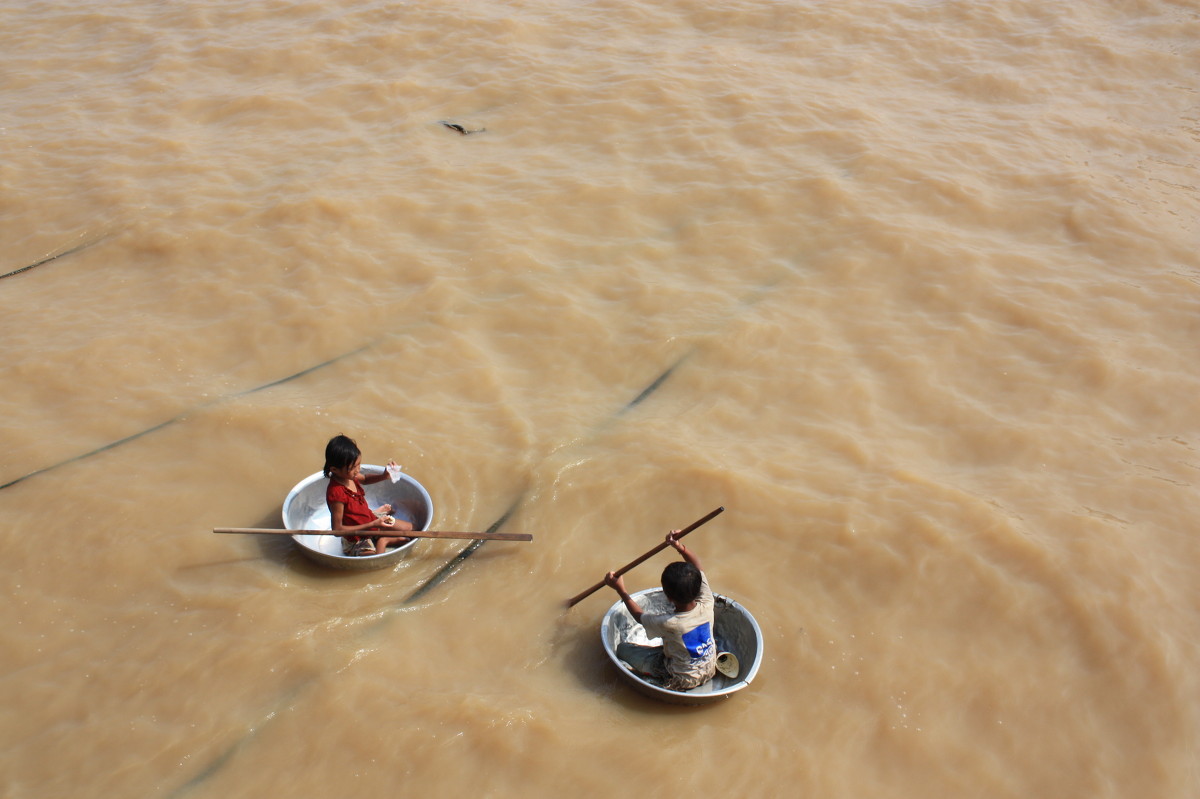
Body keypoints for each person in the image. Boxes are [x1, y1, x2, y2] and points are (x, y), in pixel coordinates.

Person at [603, 530, 717, 690]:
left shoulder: (669, 623)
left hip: (682, 679)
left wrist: (621, 590)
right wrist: (680, 547)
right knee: (678, 647)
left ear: (668, 597)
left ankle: (656, 678)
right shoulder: (707, 601)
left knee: (623, 649)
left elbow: (639, 616)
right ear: (698, 586)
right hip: (710, 669)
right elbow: (697, 567)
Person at [323, 434, 413, 556]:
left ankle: (377, 518)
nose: (357, 470)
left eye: (358, 464)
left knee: (412, 529)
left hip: (370, 520)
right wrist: (373, 524)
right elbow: (337, 530)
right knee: (376, 559)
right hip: (356, 538)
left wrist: (383, 475)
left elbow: (365, 479)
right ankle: (383, 540)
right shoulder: (337, 494)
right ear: (334, 470)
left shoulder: (350, 476)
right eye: (352, 467)